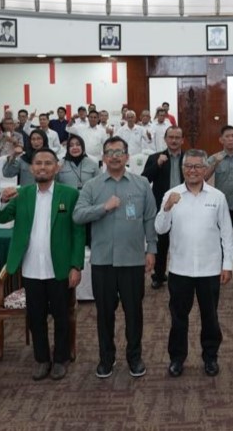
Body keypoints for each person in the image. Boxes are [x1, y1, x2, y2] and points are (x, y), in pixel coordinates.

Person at [0, 148, 85, 381]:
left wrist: (76, 265)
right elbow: (1, 217)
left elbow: (78, 233)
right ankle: (42, 359)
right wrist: (2, 200)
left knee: (62, 316)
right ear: (31, 167)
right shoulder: (22, 194)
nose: (42, 167)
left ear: (57, 167)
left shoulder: (69, 194)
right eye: (38, 163)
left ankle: (61, 359)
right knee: (35, 317)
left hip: (59, 267)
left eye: (47, 163)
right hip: (31, 267)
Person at [73, 137, 157, 379]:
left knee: (134, 313)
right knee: (104, 314)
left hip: (133, 260)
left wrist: (151, 249)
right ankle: (106, 359)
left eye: (119, 152)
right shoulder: (92, 186)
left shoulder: (142, 184)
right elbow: (78, 215)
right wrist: (104, 208)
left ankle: (135, 358)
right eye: (109, 152)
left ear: (127, 156)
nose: (115, 156)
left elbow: (149, 217)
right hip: (103, 261)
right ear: (103, 158)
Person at [154, 150, 233, 377]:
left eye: (197, 166)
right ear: (182, 169)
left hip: (210, 269)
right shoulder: (171, 194)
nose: (192, 170)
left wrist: (228, 264)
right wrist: (167, 208)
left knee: (210, 317)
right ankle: (177, 358)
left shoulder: (217, 196)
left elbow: (227, 233)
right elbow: (160, 228)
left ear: (205, 169)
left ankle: (210, 357)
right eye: (188, 166)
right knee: (178, 318)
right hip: (180, 269)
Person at [142, 126, 185, 290]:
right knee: (161, 242)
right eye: (171, 137)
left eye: (177, 137)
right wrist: (158, 164)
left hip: (184, 205)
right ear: (165, 139)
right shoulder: (155, 157)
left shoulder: (188, 158)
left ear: (182, 140)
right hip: (162, 206)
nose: (174, 140)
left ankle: (182, 274)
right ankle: (159, 275)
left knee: (183, 240)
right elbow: (144, 179)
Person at [205, 125, 233, 284]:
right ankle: (219, 273)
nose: (230, 139)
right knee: (220, 242)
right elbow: (203, 177)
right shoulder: (214, 158)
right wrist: (214, 164)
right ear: (221, 140)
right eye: (227, 136)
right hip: (221, 208)